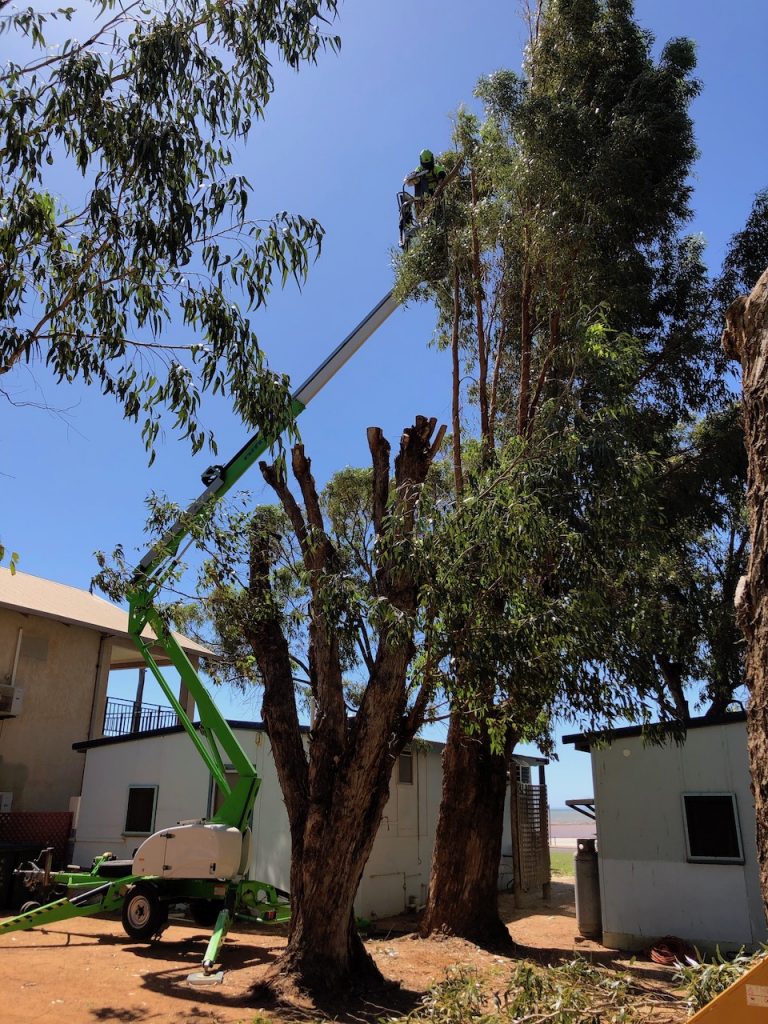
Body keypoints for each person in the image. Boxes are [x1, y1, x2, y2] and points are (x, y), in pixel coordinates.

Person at [398, 149, 447, 249]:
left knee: (432, 220)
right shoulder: (419, 169)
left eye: (429, 164)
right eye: (426, 165)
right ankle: (405, 235)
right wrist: (412, 177)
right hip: (421, 200)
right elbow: (410, 181)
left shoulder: (436, 168)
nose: (427, 167)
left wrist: (440, 183)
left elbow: (441, 173)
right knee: (408, 208)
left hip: (434, 197)